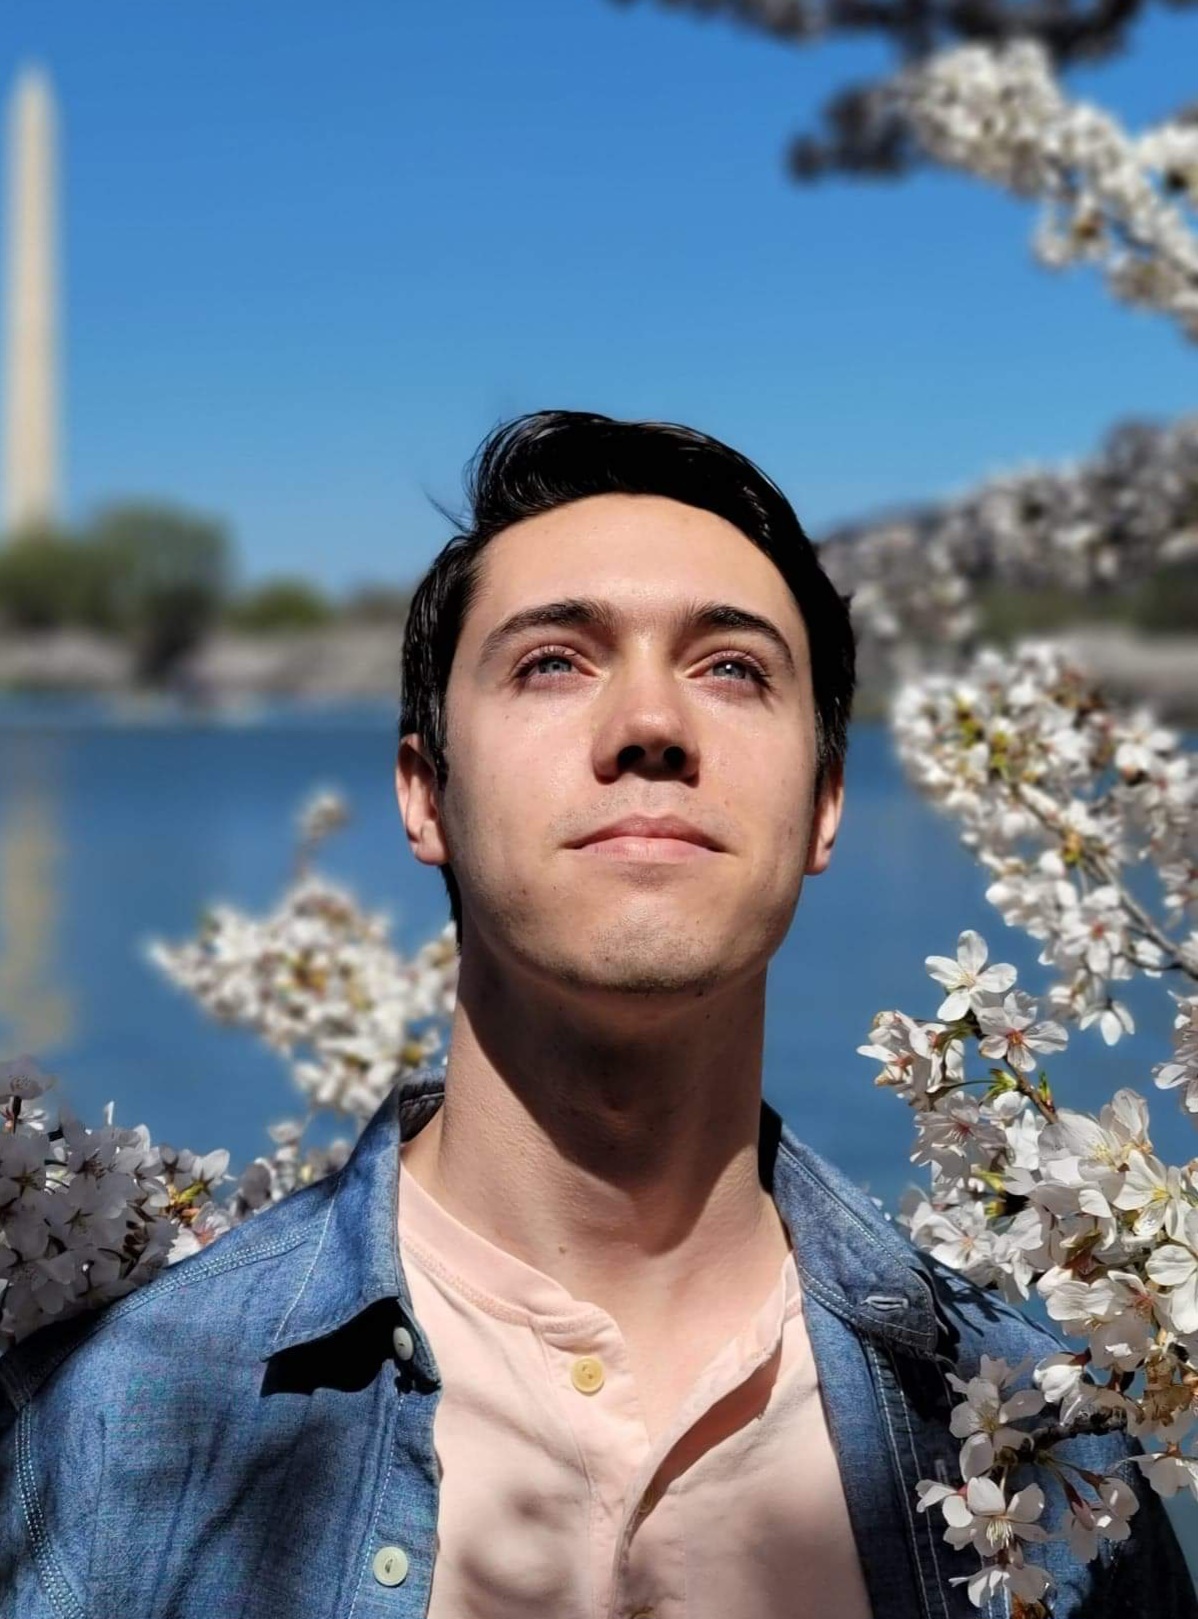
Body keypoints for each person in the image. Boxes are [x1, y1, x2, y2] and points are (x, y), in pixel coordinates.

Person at [1, 410, 1194, 1619]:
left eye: (732, 668)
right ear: (425, 794)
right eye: (552, 661)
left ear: (825, 802)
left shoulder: (1055, 1452)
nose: (650, 726)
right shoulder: (103, 1436)